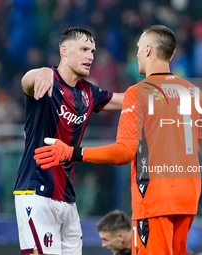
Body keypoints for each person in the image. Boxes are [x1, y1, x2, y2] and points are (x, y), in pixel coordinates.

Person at [34, 25, 202, 254]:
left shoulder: (139, 93)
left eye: (137, 48)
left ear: (147, 50)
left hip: (155, 200)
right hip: (188, 198)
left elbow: (124, 152)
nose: (135, 54)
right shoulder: (195, 93)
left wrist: (73, 152)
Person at [13, 27, 124, 255]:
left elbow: (126, 100)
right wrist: (42, 71)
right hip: (37, 191)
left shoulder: (89, 93)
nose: (90, 56)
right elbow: (26, 82)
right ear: (64, 50)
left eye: (92, 51)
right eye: (83, 49)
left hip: (68, 198)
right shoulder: (46, 81)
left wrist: (161, 89)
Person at [97, 210, 195, 255]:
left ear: (120, 237)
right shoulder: (127, 251)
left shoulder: (152, 240)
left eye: (105, 240)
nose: (103, 245)